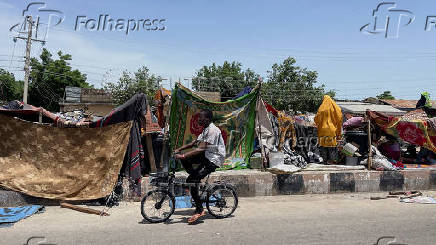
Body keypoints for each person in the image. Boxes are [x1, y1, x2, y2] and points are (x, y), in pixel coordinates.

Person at [173, 108, 226, 223]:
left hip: (214, 159)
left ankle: (199, 209)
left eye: (200, 118)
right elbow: (194, 143)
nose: (198, 119)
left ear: (207, 119)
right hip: (208, 155)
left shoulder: (212, 130)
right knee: (187, 162)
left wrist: (182, 156)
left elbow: (201, 148)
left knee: (191, 181)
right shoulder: (205, 129)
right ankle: (196, 178)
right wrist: (179, 149)